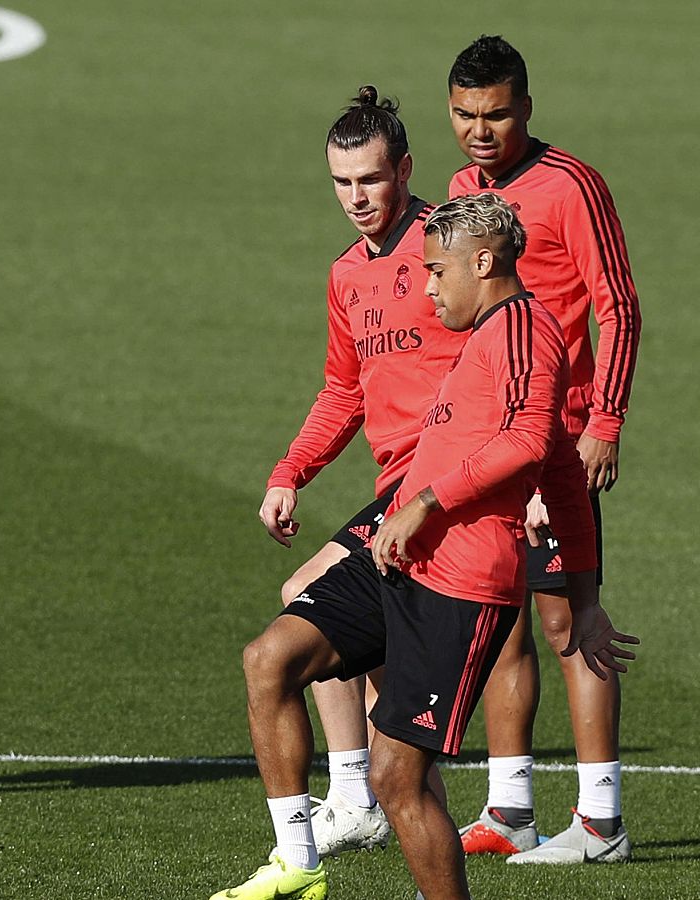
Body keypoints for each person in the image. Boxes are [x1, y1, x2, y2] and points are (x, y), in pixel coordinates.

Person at [219, 193, 637, 900]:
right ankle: (299, 864)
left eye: (438, 271)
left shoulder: (526, 330)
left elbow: (530, 444)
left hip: (462, 587)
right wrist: (587, 597)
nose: (428, 286)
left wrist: (423, 502)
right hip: (404, 562)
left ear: (483, 262)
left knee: (395, 778)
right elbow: (561, 470)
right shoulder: (491, 333)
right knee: (271, 659)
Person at [444, 34, 642, 863]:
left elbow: (619, 308)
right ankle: (510, 808)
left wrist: (604, 423)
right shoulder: (460, 190)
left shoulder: (571, 186)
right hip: (489, 443)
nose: (479, 131)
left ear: (525, 106)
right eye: (463, 115)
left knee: (568, 622)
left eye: (494, 115)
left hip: (556, 442)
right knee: (501, 623)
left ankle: (601, 823)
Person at [258, 85, 458, 858]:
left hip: (443, 490)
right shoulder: (348, 274)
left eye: (370, 179)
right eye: (342, 183)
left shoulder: (447, 251)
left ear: (404, 168)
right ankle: (375, 800)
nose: (356, 197)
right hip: (395, 493)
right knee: (377, 684)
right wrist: (290, 471)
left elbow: (507, 356)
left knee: (305, 606)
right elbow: (344, 388)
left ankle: (353, 797)